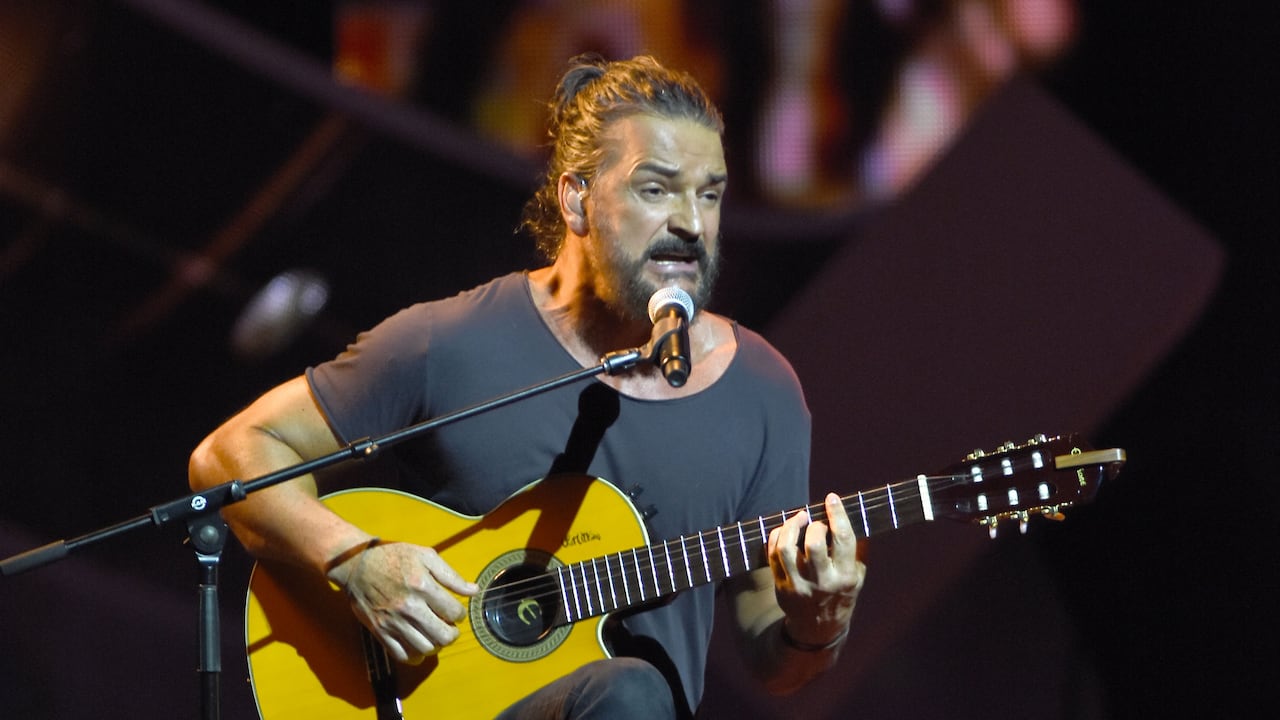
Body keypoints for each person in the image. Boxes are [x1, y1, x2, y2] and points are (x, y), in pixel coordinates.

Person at [189, 54, 865, 718]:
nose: (692, 222)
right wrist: (355, 562)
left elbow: (776, 663)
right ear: (577, 199)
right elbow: (227, 457)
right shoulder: (451, 341)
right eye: (657, 190)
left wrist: (820, 622)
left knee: (631, 695)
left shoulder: (763, 393)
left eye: (710, 194)